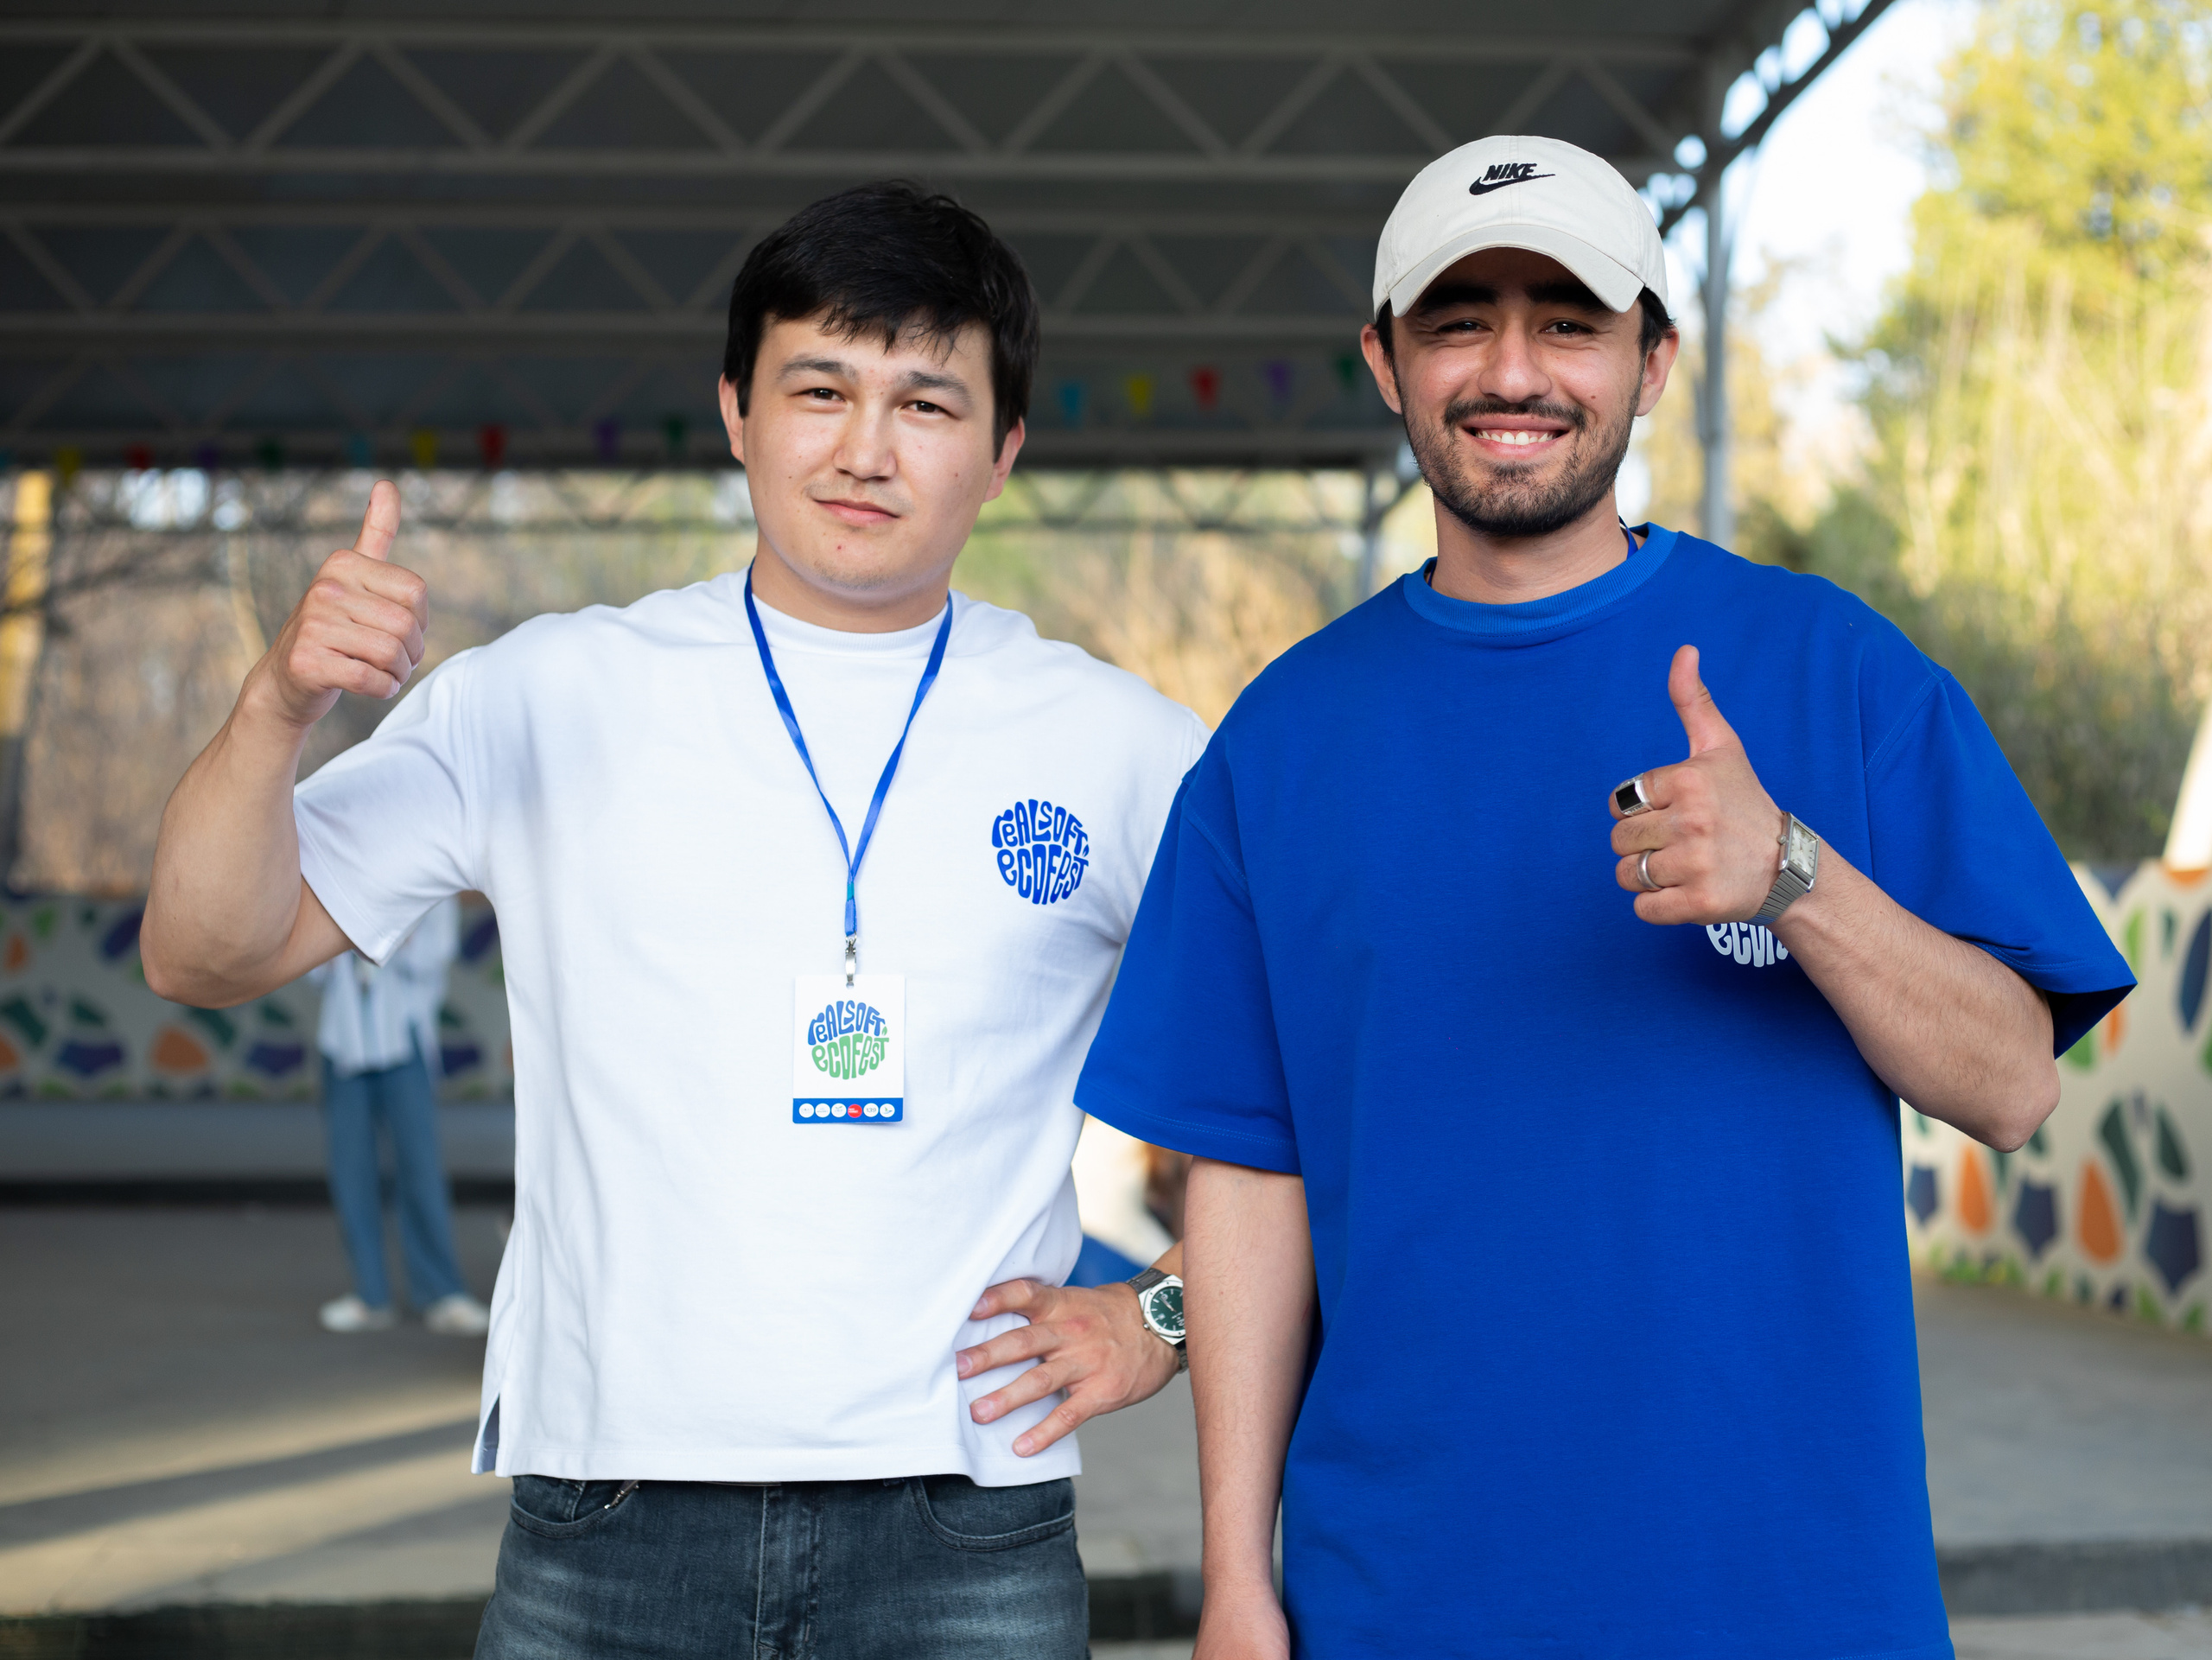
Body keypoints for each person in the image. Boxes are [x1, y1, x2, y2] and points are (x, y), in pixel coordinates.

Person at [1075, 135, 2136, 1660]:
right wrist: (1237, 1581)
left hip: (1786, 1597)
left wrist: (1796, 875)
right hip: (1406, 1601)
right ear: (1384, 362)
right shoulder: (1281, 742)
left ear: (1653, 361)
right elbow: (1249, 1177)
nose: (1513, 370)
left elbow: (2015, 1082)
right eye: (1460, 321)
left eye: (1569, 322)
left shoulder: (1835, 671)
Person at [142, 182, 1205, 1659]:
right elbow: (202, 949)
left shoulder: (1124, 746)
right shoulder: (547, 696)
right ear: (735, 411)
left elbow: (1326, 1063)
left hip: (968, 1527)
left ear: (1005, 447)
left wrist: (1163, 1315)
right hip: (610, 1522)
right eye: (819, 389)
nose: (865, 449)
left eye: (925, 402)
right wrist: (277, 706)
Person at [307, 894, 491, 1336]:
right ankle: (371, 1294)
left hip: (404, 1038)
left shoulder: (425, 875)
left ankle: (442, 1292)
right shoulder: (330, 875)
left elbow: (434, 953)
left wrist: (382, 930)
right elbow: (311, 966)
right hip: (342, 1041)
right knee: (351, 1171)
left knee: (419, 1167)